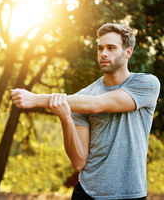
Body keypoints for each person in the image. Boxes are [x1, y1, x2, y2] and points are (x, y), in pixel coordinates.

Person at [11, 23, 160, 200]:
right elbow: (79, 161)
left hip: (131, 194)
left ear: (128, 52)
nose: (103, 53)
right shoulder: (80, 99)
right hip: (88, 194)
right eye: (100, 48)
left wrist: (37, 99)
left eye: (111, 48)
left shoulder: (146, 84)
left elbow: (98, 104)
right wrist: (66, 119)